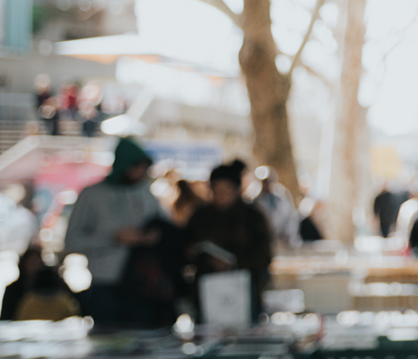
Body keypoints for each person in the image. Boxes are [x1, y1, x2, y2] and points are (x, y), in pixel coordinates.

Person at [62, 136, 171, 328]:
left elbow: (165, 227)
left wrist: (151, 236)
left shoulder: (144, 192)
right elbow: (72, 242)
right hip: (106, 286)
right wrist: (113, 238)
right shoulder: (92, 195)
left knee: (143, 345)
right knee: (108, 343)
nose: (139, 173)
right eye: (135, 167)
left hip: (142, 284)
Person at [184, 159, 275, 322]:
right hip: (207, 289)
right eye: (217, 190)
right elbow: (185, 247)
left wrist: (235, 263)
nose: (222, 196)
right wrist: (199, 256)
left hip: (244, 289)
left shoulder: (252, 217)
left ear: (237, 189)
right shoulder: (200, 216)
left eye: (226, 190)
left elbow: (264, 254)